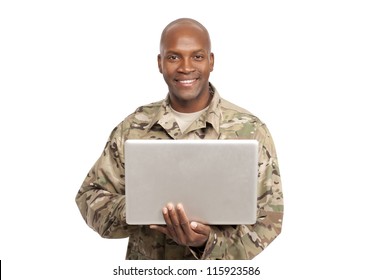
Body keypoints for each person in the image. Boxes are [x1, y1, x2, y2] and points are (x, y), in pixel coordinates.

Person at [75, 18, 283, 260]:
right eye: (174, 57)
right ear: (160, 63)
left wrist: (207, 241)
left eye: (197, 56)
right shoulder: (133, 127)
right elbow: (89, 197)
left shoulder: (251, 130)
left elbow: (269, 219)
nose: (186, 67)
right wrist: (141, 209)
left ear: (211, 61)